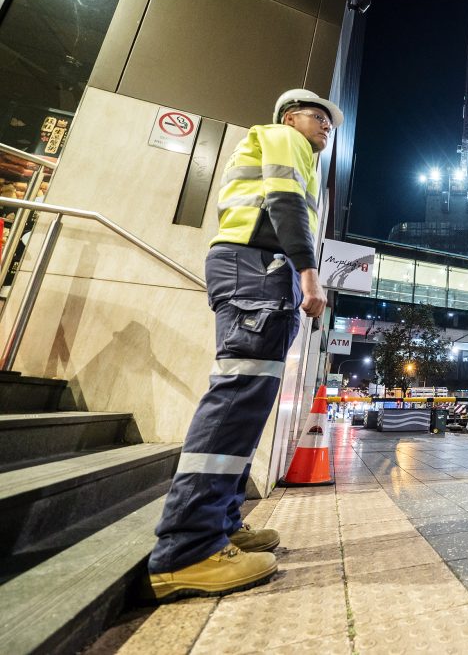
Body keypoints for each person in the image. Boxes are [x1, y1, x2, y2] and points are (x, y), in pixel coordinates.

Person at [145, 89, 340, 602]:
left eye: (328, 121)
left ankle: (223, 524)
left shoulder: (282, 146)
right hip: (260, 267)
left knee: (248, 402)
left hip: (252, 267)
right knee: (236, 399)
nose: (325, 126)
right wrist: (309, 275)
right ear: (289, 116)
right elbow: (284, 202)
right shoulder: (283, 139)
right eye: (317, 116)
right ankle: (189, 548)